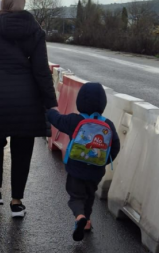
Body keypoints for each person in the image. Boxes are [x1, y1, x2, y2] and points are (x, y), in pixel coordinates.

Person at [0, 0, 57, 218]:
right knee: (22, 150)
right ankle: (16, 202)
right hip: (27, 101)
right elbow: (41, 71)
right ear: (23, 4)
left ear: (5, 5)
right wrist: (50, 102)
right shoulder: (35, 31)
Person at [47, 83, 120, 241]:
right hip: (96, 172)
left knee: (76, 197)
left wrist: (50, 111)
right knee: (89, 195)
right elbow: (115, 147)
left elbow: (58, 120)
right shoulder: (108, 125)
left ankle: (80, 217)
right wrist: (103, 161)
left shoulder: (75, 120)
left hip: (76, 169)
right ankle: (86, 221)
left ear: (80, 102)